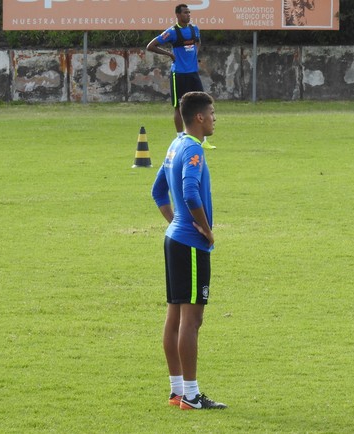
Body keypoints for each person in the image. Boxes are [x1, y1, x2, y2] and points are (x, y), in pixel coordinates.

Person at [151, 91, 227, 411]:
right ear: (199, 117)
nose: (214, 118)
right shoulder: (194, 150)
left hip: (174, 240)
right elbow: (190, 190)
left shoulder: (174, 144)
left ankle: (177, 391)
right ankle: (192, 396)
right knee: (191, 321)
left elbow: (158, 192)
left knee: (174, 318)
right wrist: (205, 230)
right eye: (211, 113)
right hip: (191, 245)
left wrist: (176, 222)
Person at [146, 4, 204, 135]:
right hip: (179, 74)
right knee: (179, 106)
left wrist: (195, 53)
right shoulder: (172, 32)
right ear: (177, 15)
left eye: (189, 12)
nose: (188, 15)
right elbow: (150, 46)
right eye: (185, 13)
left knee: (201, 104)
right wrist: (169, 54)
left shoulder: (195, 29)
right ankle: (180, 137)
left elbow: (198, 41)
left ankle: (202, 138)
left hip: (193, 73)